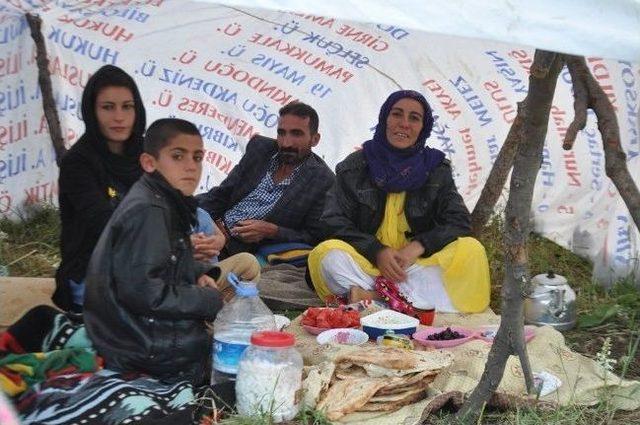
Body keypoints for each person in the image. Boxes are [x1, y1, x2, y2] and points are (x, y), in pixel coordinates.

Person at [83, 118, 260, 384]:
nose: (191, 166)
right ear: (149, 162)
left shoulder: (162, 199)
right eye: (178, 156)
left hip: (132, 332)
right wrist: (206, 301)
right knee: (244, 367)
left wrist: (198, 272)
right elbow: (145, 293)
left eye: (197, 157)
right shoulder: (150, 210)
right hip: (136, 346)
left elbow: (165, 261)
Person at [308, 90, 490, 313]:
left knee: (472, 250)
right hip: (368, 263)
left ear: (423, 127)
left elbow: (459, 221)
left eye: (414, 118)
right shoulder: (355, 166)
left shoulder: (436, 169)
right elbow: (331, 220)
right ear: (385, 119)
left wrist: (418, 246)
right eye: (397, 114)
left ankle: (375, 298)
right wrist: (376, 250)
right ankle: (410, 301)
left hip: (413, 266)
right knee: (326, 254)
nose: (404, 124)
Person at [53, 65, 146, 312]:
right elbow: (107, 226)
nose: (119, 117)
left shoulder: (147, 156)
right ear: (92, 112)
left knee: (243, 265)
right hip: (93, 273)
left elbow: (176, 203)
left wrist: (206, 237)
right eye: (108, 107)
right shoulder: (78, 163)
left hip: (146, 269)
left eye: (127, 106)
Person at [198, 101, 335, 257]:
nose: (286, 142)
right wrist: (195, 215)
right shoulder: (260, 148)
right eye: (281, 133)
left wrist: (273, 231)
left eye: (296, 134)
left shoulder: (323, 181)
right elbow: (223, 194)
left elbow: (313, 237)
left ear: (315, 139)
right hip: (210, 228)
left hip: (240, 251)